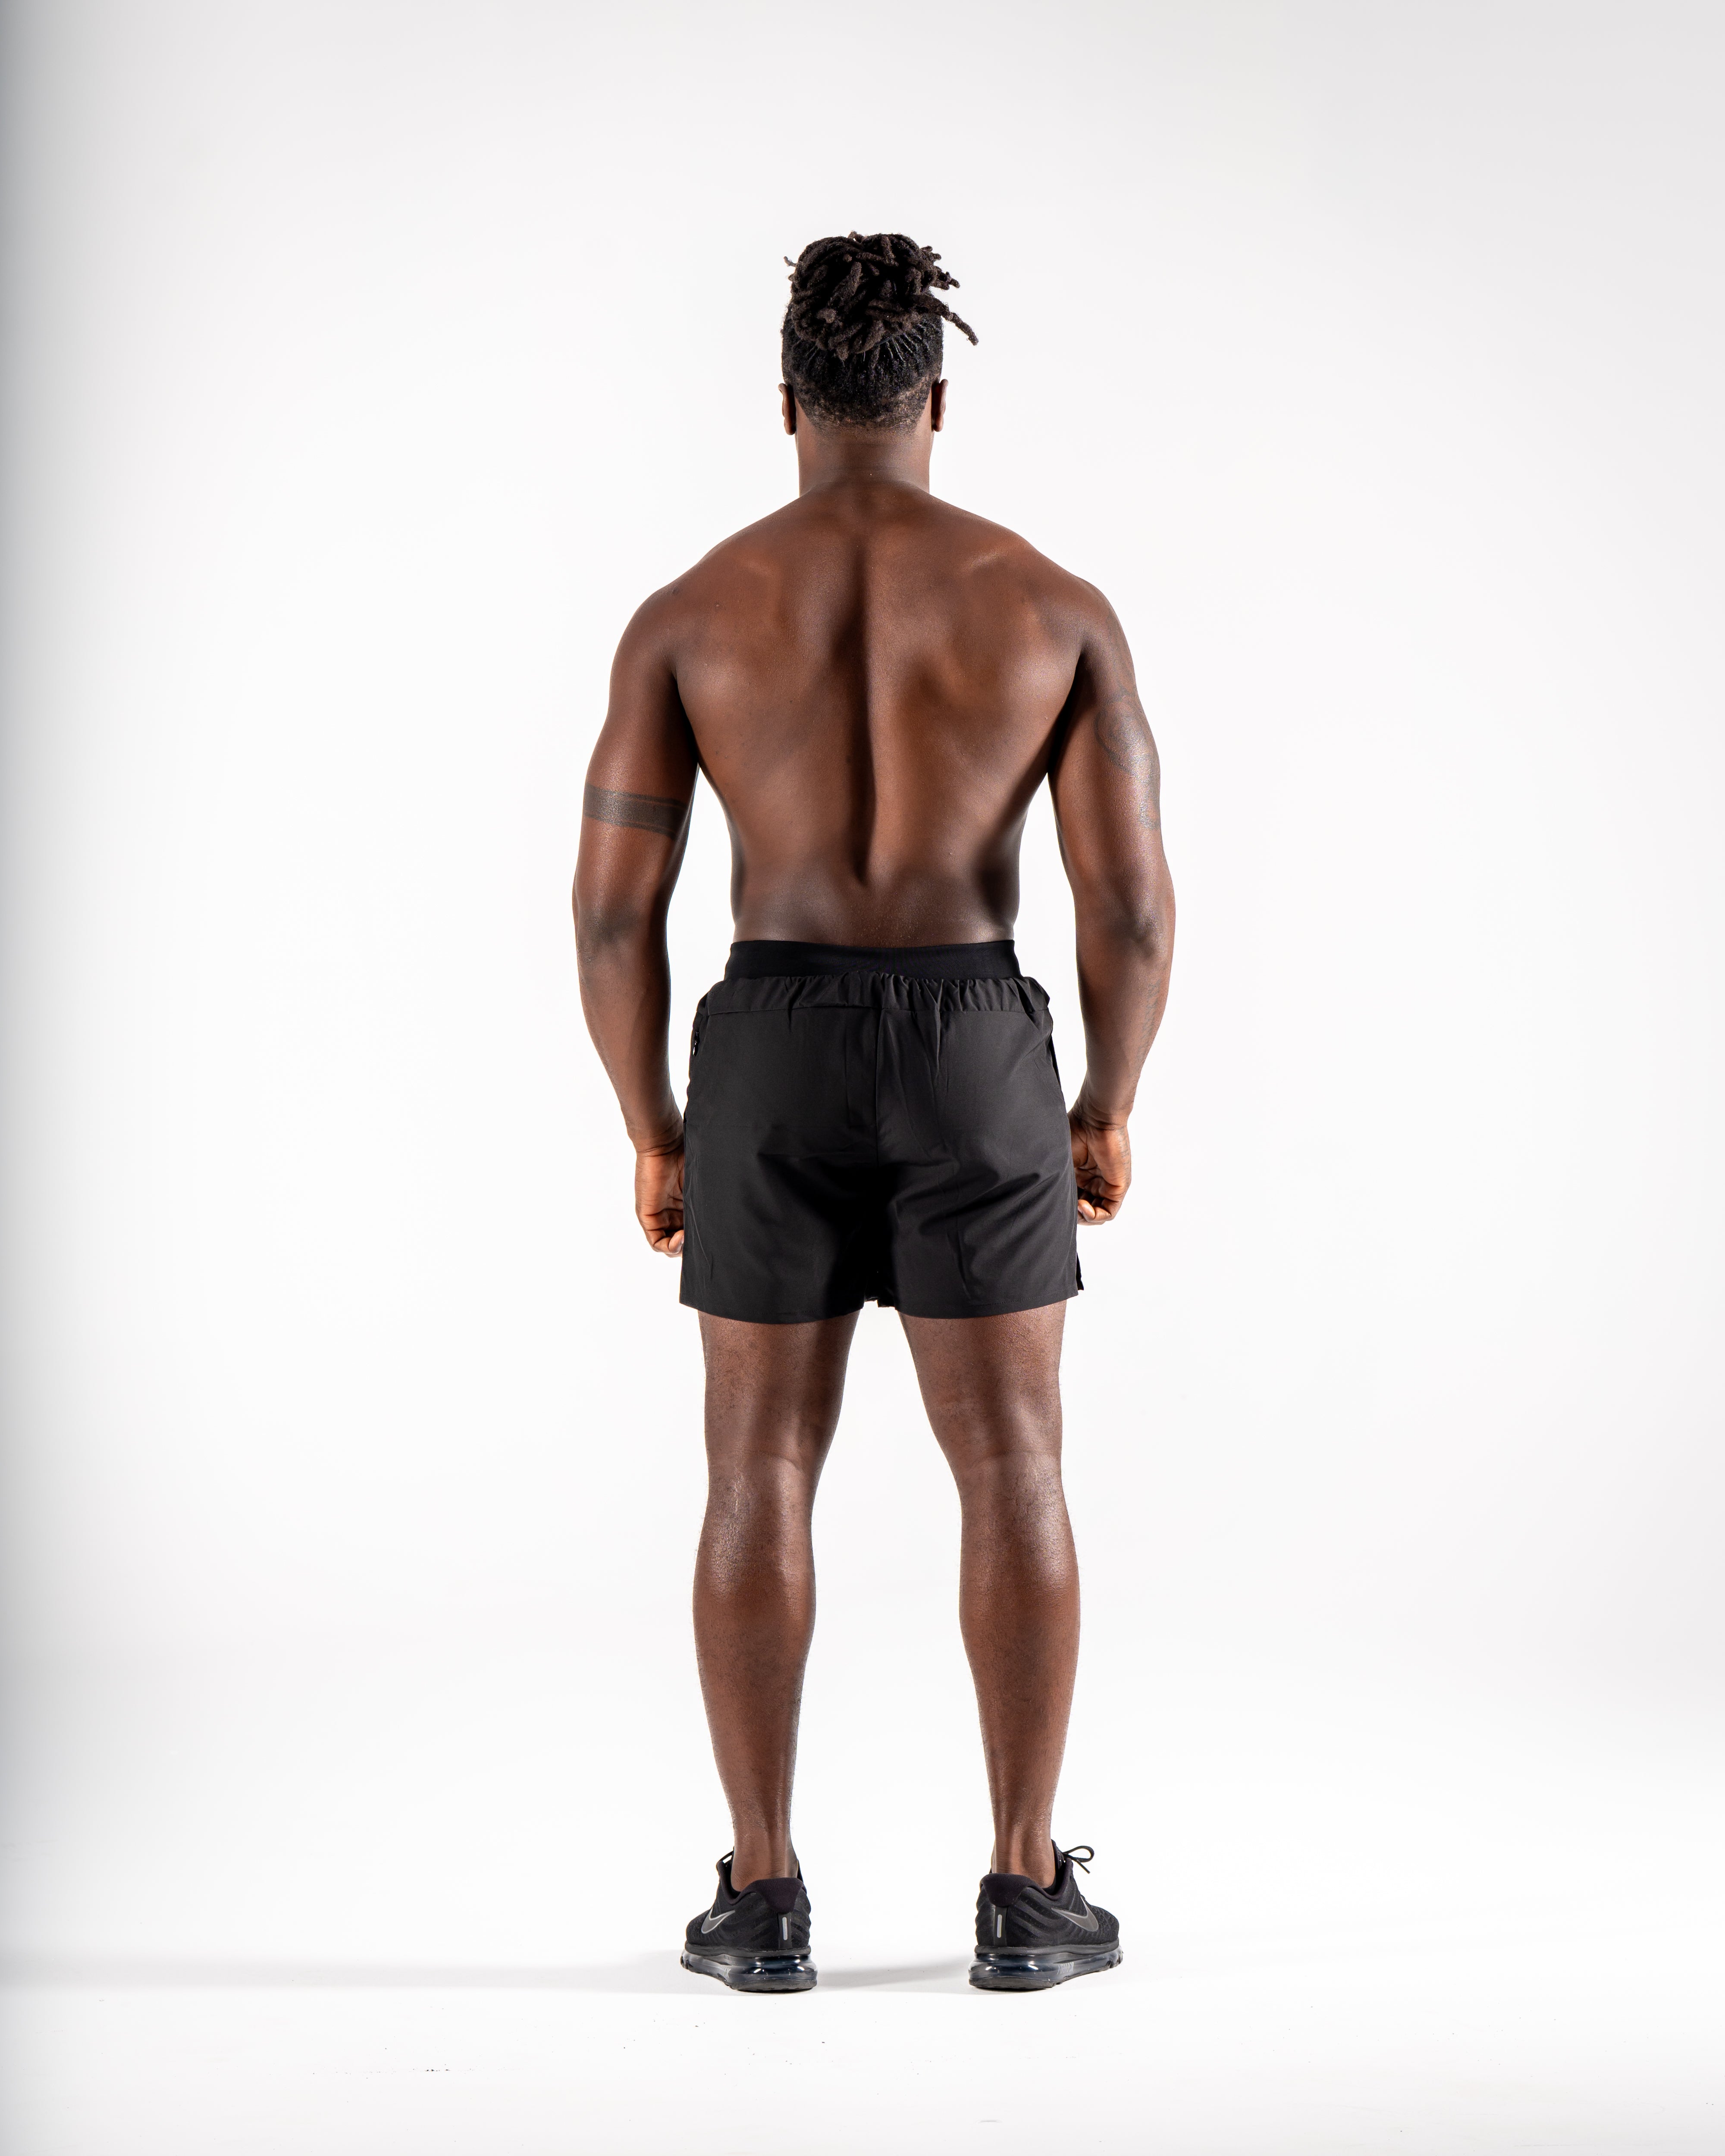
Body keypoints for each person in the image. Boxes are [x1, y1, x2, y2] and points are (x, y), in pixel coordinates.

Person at [574, 232, 1174, 1993]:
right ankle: (1026, 1891)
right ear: (936, 402)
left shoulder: (688, 615)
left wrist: (653, 1124)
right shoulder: (1052, 607)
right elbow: (1131, 909)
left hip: (767, 1040)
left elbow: (611, 916)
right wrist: (1105, 1101)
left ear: (788, 405)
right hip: (976, 1035)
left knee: (756, 1464)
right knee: (1015, 1462)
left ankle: (761, 1897)